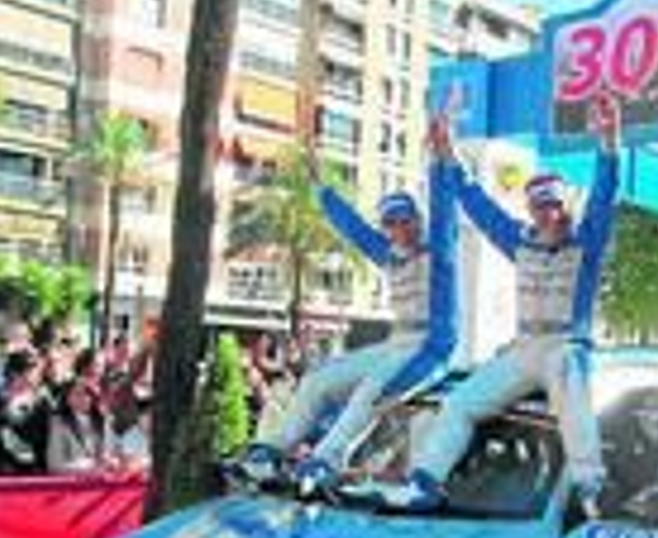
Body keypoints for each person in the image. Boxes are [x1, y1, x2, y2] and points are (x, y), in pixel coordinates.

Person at [388, 93, 621, 511]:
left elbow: (604, 195)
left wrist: (608, 142)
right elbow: (476, 204)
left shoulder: (587, 241)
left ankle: (591, 486)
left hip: (566, 347)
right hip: (523, 349)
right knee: (459, 403)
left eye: (554, 205)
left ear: (566, 207)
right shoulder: (519, 239)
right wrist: (447, 153)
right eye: (540, 206)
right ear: (531, 210)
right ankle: (425, 481)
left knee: (569, 371)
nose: (548, 214)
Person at [240, 144, 459, 488]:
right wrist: (320, 188)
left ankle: (326, 460)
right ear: (385, 228)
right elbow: (352, 227)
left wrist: (440, 159)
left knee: (372, 389)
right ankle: (272, 450)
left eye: (406, 220)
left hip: (430, 349)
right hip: (397, 343)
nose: (400, 228)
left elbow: (444, 210)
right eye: (391, 222)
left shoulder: (440, 252)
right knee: (317, 381)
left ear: (419, 220)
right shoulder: (389, 254)